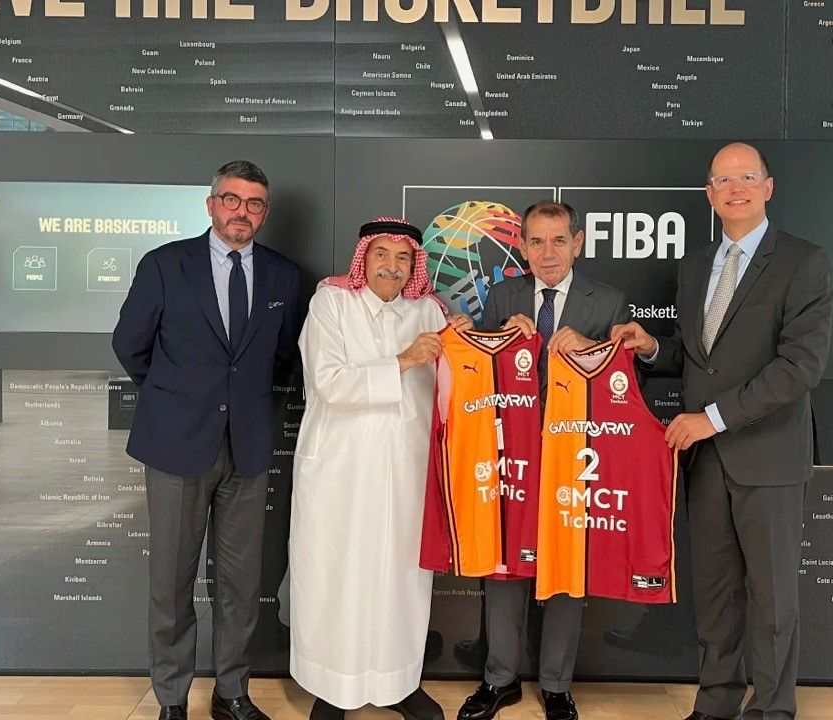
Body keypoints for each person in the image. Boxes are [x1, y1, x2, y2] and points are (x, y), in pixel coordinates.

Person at [612, 142, 833, 720]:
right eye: (723, 180)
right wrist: (653, 347)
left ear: (768, 188)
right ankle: (715, 704)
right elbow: (700, 359)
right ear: (709, 194)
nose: (736, 189)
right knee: (714, 595)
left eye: (747, 178)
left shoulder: (804, 262)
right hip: (707, 464)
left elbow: (799, 368)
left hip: (768, 458)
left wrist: (709, 420)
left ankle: (773, 708)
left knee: (773, 598)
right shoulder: (695, 265)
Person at [113, 160, 302, 720]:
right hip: (176, 444)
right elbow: (130, 344)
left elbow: (283, 357)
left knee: (241, 582)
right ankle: (172, 698)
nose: (243, 211)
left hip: (248, 447)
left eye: (255, 203)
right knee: (172, 581)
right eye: (232, 200)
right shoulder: (165, 264)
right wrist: (176, 396)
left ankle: (232, 692)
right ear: (212, 204)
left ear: (265, 212)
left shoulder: (283, 274)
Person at [458, 201, 631, 720]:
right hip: (512, 451)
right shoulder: (504, 295)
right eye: (536, 241)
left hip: (573, 455)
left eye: (558, 240)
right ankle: (499, 679)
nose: (547, 253)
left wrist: (591, 349)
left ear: (578, 243)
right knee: (505, 564)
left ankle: (557, 684)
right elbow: (483, 369)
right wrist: (486, 335)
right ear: (523, 246)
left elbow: (623, 382)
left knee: (565, 566)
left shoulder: (609, 300)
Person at [290, 217, 466, 720]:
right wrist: (403, 360)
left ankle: (399, 682)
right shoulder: (331, 303)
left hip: (407, 472)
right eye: (381, 254)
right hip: (339, 471)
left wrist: (468, 342)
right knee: (336, 573)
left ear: (415, 265)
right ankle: (332, 686)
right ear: (362, 259)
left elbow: (458, 380)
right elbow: (328, 381)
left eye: (403, 257)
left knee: (402, 578)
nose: (392, 266)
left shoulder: (428, 310)